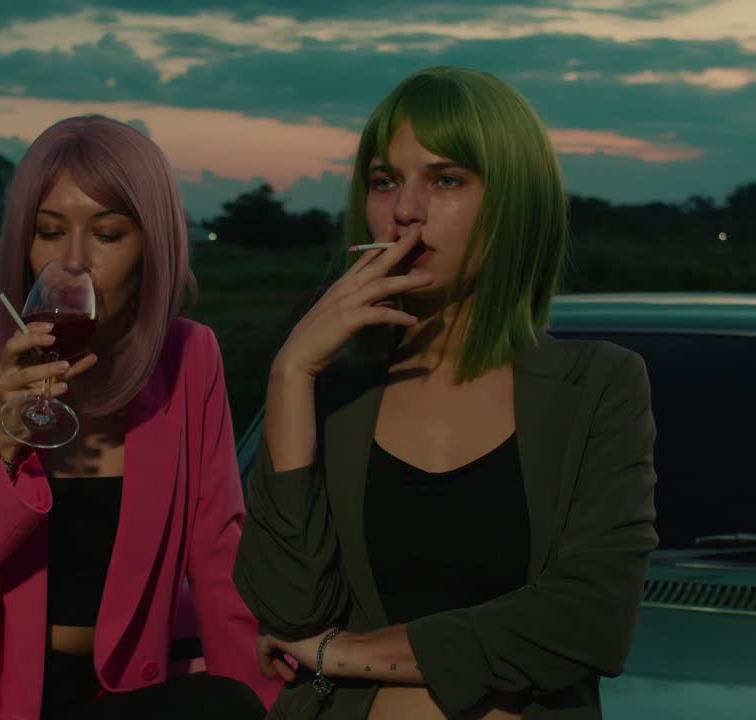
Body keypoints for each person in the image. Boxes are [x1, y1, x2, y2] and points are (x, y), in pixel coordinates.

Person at [0, 114, 282, 719]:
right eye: (48, 231)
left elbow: (218, 558)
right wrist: (7, 440)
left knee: (226, 708)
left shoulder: (189, 360)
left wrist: (267, 703)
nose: (73, 263)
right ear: (23, 242)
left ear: (152, 250)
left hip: (107, 698)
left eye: (109, 233)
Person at [233, 66, 658, 719]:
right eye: (384, 182)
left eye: (446, 179)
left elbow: (589, 619)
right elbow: (290, 610)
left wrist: (343, 654)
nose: (405, 210)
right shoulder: (333, 395)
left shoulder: (596, 385)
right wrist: (291, 374)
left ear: (514, 201)